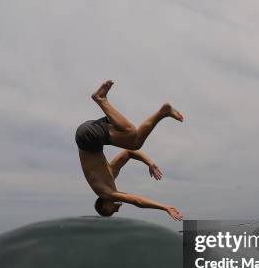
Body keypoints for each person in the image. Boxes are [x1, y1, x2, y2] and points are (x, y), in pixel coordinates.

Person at [76, 80, 184, 220]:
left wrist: (164, 207)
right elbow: (129, 153)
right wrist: (150, 163)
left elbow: (136, 201)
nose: (117, 210)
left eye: (112, 211)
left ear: (104, 205)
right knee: (134, 138)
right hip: (89, 133)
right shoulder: (109, 175)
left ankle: (101, 99)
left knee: (133, 137)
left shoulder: (105, 193)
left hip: (88, 138)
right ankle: (163, 112)